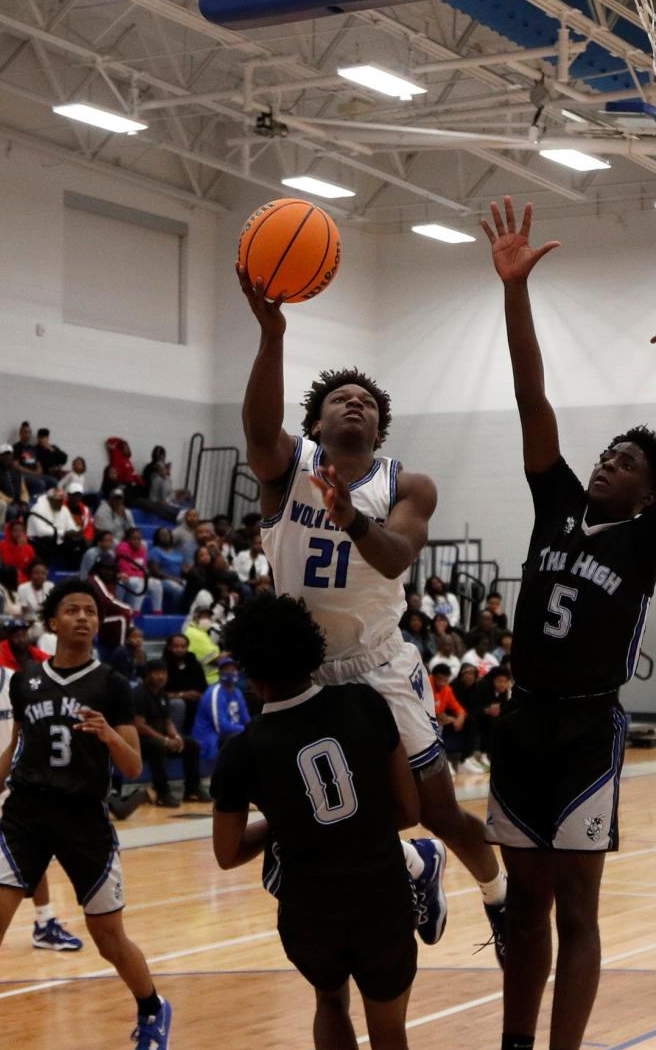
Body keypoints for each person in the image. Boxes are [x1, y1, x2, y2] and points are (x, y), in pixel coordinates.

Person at [453, 198, 656, 1050]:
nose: (608, 460)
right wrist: (515, 292)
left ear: (647, 491)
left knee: (575, 908)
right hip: (523, 725)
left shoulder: (652, 538)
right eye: (607, 452)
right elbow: (533, 397)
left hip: (586, 733)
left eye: (625, 461)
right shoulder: (556, 504)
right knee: (521, 911)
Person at [238, 263, 507, 957]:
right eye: (339, 398)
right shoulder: (285, 469)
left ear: (381, 425)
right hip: (302, 673)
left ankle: (496, 897)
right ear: (317, 421)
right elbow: (259, 426)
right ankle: (412, 866)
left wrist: (351, 519)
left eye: (366, 400)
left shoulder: (408, 483)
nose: (353, 403)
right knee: (316, 810)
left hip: (380, 664)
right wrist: (273, 334)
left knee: (434, 810)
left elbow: (393, 559)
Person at [210, 594, 439, 1050]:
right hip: (378, 895)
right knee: (389, 1032)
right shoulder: (364, 704)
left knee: (328, 1002)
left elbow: (229, 853)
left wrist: (285, 825)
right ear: (314, 653)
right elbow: (409, 810)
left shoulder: (242, 749)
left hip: (308, 907)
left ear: (250, 673)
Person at [0, 580, 172, 1050]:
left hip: (84, 817)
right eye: (73, 610)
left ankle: (152, 1007)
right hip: (26, 815)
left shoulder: (112, 684)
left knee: (109, 938)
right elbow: (14, 751)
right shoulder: (26, 680)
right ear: (54, 622)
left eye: (90, 610)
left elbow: (131, 768)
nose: (83, 617)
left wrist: (108, 735)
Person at [0, 617, 82, 950]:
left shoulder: (16, 682)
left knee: (29, 849)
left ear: (0, 647)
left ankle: (44, 922)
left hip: (8, 775)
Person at [133, 660, 208, 808]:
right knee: (158, 746)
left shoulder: (162, 694)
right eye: (157, 673)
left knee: (191, 745)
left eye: (164, 673)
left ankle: (192, 790)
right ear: (148, 675)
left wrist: (176, 737)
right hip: (141, 742)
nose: (161, 676)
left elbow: (167, 721)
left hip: (161, 738)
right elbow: (139, 726)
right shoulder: (139, 694)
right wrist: (166, 740)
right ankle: (162, 793)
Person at [192, 656, 251, 761]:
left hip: (232, 734)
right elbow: (221, 727)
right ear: (220, 672)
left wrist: (251, 729)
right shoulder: (215, 692)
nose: (231, 672)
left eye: (233, 669)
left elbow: (246, 719)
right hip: (210, 740)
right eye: (227, 669)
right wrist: (246, 730)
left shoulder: (237, 692)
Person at [87, 553, 133, 655]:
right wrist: (128, 609)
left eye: (111, 569)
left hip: (102, 617)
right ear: (98, 568)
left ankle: (125, 650)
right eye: (106, 569)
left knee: (126, 616)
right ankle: (121, 651)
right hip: (92, 619)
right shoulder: (94, 579)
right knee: (123, 617)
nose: (109, 572)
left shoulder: (108, 580)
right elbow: (106, 601)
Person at [162, 632, 207, 732]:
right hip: (171, 701)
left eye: (183, 646)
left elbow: (203, 686)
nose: (180, 650)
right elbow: (159, 694)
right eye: (176, 646)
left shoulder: (194, 663)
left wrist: (199, 695)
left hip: (193, 700)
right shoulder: (163, 665)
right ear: (169, 647)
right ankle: (176, 736)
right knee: (179, 704)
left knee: (206, 699)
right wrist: (182, 695)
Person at [116, 526, 163, 614]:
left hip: (138, 577)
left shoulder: (142, 549)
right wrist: (141, 575)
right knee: (140, 584)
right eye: (134, 538)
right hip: (124, 578)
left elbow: (144, 568)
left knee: (157, 583)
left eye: (139, 539)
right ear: (128, 539)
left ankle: (157, 612)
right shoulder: (122, 548)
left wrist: (141, 575)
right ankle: (135, 612)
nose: (137, 541)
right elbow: (124, 569)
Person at [27, 487, 78, 565]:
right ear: (49, 499)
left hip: (58, 539)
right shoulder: (38, 509)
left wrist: (73, 532)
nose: (60, 503)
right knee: (48, 540)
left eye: (61, 501)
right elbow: (41, 532)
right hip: (37, 540)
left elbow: (71, 527)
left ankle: (71, 570)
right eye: (57, 501)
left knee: (78, 542)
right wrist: (63, 533)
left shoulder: (64, 509)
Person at [148, 527, 188, 612]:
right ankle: (175, 613)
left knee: (191, 587)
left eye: (167, 534)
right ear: (157, 538)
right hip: (162, 581)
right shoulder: (155, 551)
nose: (165, 536)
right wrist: (174, 579)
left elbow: (182, 568)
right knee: (178, 590)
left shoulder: (177, 552)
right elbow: (155, 572)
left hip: (179, 579)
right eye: (162, 535)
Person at [16, 560, 53, 641]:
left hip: (47, 622)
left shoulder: (50, 586)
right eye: (36, 573)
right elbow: (24, 612)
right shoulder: (23, 588)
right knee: (39, 629)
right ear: (30, 574)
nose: (40, 576)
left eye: (43, 573)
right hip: (30, 624)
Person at [0, 446, 29, 519]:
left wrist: (24, 502)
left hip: (18, 502)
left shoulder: (16, 470)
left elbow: (23, 490)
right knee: (13, 511)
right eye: (4, 455)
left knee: (29, 510)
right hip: (3, 502)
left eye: (9, 455)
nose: (7, 457)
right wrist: (10, 501)